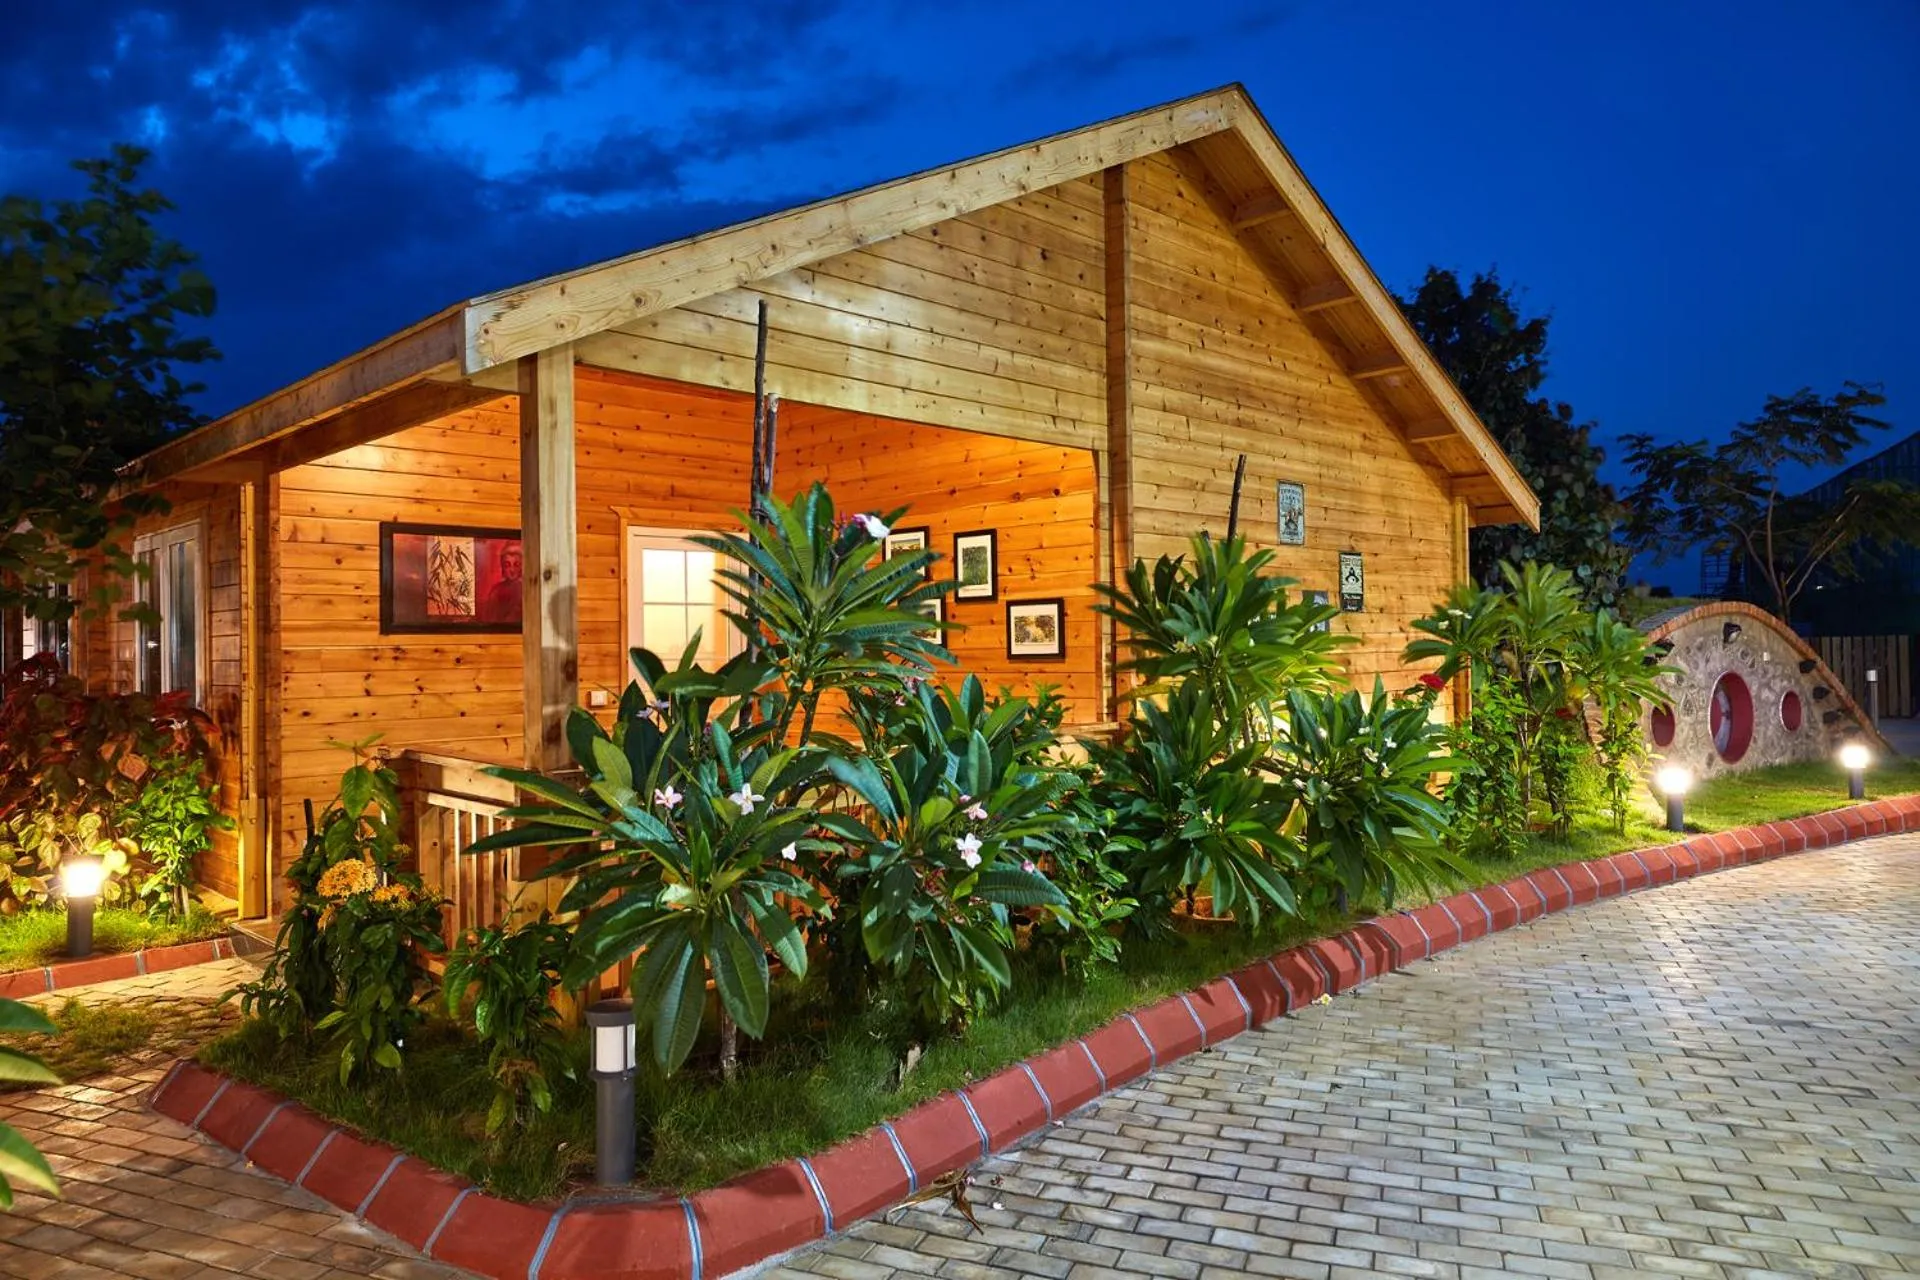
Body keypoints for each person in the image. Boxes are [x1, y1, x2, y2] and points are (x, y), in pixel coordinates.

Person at [480, 541, 524, 623]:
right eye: (507, 565)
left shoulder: (527, 589)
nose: (512, 570)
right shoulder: (496, 591)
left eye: (516, 565)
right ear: (502, 567)